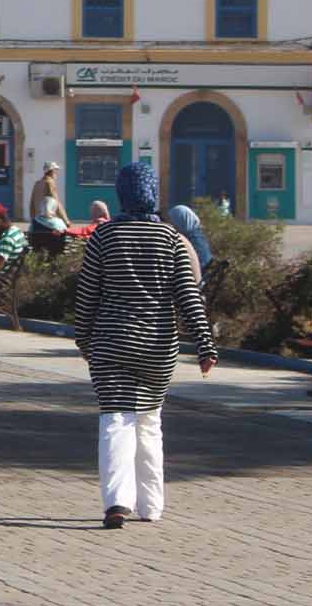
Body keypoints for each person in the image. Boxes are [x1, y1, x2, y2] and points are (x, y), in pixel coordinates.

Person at [70, 162, 218, 528]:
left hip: (111, 342)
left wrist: (83, 337)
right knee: (150, 421)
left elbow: (88, 295)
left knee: (116, 420)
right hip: (157, 346)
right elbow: (187, 294)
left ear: (122, 193)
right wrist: (205, 344)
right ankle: (151, 504)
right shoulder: (170, 238)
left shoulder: (104, 238)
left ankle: (117, 502)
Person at [166, 202, 213, 274]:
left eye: (172, 221)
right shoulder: (199, 237)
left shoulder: (192, 241)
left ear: (180, 220)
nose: (171, 225)